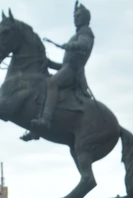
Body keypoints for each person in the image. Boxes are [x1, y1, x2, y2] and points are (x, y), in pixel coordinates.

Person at [31, 2, 94, 131]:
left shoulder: (86, 32)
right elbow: (65, 65)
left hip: (75, 72)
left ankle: (46, 120)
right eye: (75, 17)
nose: (76, 19)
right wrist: (50, 63)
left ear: (85, 18)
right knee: (44, 84)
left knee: (52, 83)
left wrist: (71, 45)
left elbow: (84, 45)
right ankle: (38, 121)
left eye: (79, 16)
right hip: (69, 69)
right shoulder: (77, 35)